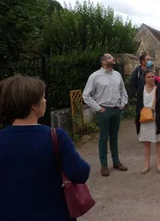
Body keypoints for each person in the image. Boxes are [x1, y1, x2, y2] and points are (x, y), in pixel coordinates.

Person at [0, 75, 90, 221]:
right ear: (33, 105)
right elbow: (81, 173)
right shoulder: (55, 137)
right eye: (43, 97)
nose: (45, 100)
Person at [83, 53, 129, 177]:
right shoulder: (95, 76)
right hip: (103, 111)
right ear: (103, 61)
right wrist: (98, 108)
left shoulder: (117, 75)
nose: (113, 59)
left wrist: (122, 105)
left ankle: (116, 162)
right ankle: (104, 165)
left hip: (116, 110)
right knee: (103, 138)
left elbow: (123, 91)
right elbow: (86, 95)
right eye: (110, 57)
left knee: (114, 137)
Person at [135, 69, 160, 174]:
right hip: (145, 119)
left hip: (157, 119)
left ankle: (158, 163)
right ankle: (146, 164)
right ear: (144, 78)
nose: (150, 78)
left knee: (159, 141)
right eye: (148, 77)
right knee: (146, 143)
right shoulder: (140, 89)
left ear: (155, 77)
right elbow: (138, 104)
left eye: (152, 76)